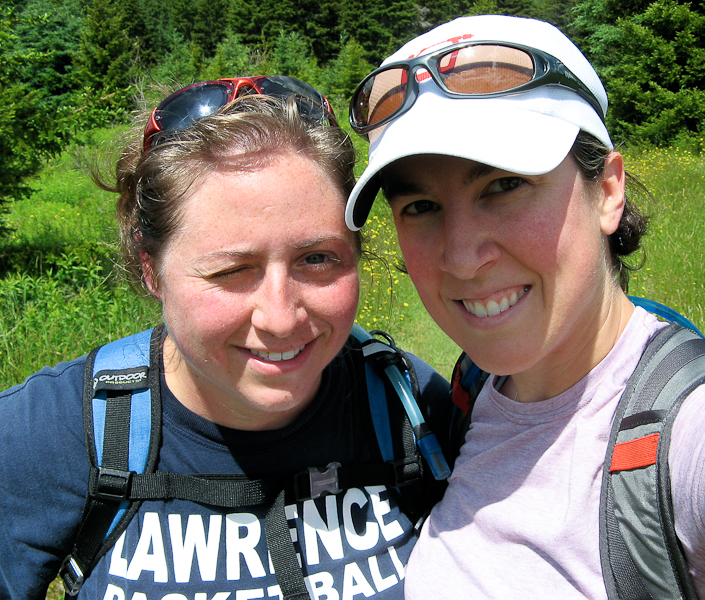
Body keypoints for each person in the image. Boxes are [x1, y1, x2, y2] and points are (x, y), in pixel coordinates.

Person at [344, 15, 705, 600]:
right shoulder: (475, 389)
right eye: (421, 207)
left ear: (608, 190)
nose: (461, 258)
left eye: (505, 186)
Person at [0, 77, 450, 599]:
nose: (281, 319)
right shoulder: (52, 434)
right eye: (232, 270)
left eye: (317, 259)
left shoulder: (411, 408)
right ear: (151, 270)